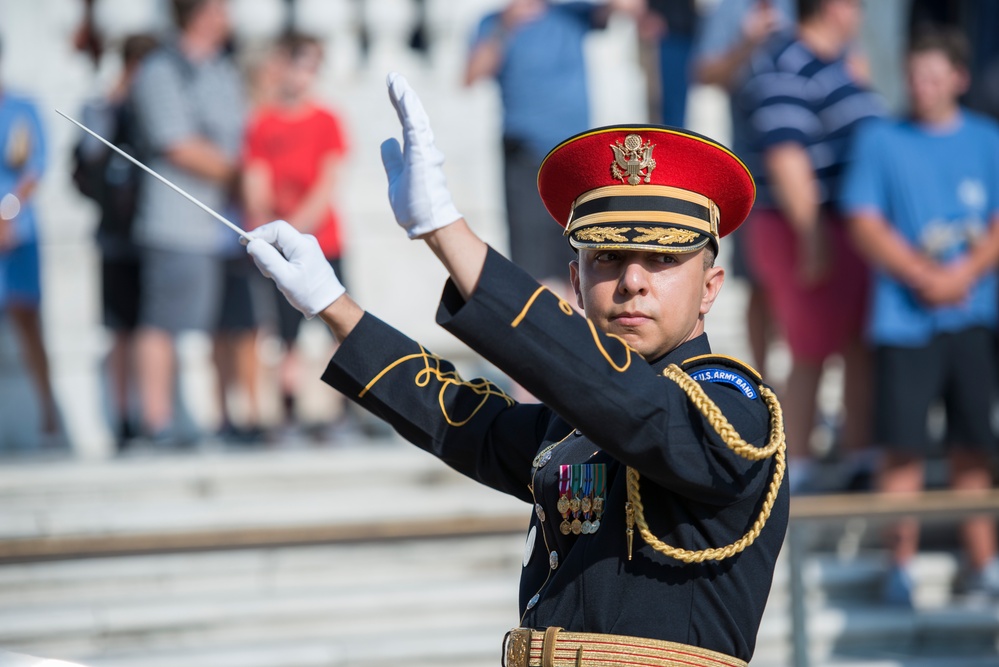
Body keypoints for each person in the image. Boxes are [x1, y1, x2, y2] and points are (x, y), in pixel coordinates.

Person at [246, 73, 788, 665]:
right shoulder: (576, 426)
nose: (632, 281)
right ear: (576, 284)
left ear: (710, 288)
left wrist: (447, 234)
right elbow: (459, 417)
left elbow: (633, 407)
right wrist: (334, 307)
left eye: (662, 260)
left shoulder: (734, 406)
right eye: (608, 259)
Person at [841, 27, 999, 606]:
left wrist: (964, 275)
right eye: (914, 76)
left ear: (958, 78)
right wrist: (923, 275)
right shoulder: (881, 139)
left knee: (973, 446)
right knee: (901, 446)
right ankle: (899, 566)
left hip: (974, 316)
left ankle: (983, 563)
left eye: (934, 76)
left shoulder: (987, 138)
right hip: (902, 322)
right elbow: (863, 219)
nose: (922, 87)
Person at [736, 0, 884, 492]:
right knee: (812, 348)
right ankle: (795, 466)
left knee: (859, 344)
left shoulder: (840, 62)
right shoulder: (786, 61)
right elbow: (785, 153)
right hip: (803, 222)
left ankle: (860, 455)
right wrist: (813, 234)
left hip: (849, 225)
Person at [463, 0, 642, 297]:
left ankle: (573, 337)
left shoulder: (571, 14)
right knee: (531, 264)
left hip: (574, 159)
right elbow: (472, 75)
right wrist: (506, 26)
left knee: (578, 258)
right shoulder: (494, 22)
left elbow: (626, 7)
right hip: (525, 157)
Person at [129, 0, 246, 445]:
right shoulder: (162, 69)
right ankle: (155, 424)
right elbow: (175, 142)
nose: (229, 15)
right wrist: (240, 176)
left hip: (226, 223)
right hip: (176, 221)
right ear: (200, 12)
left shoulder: (221, 67)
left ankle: (222, 420)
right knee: (162, 323)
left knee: (228, 324)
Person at [242, 31, 349, 439]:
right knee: (284, 335)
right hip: (283, 243)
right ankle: (287, 414)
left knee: (337, 328)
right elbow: (256, 183)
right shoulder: (262, 123)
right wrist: (272, 229)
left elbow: (327, 182)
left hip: (326, 241)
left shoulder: (327, 120)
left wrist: (290, 231)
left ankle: (340, 413)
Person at [691, 0, 794, 374]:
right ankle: (766, 383)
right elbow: (704, 72)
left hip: (811, 170)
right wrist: (747, 43)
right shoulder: (730, 10)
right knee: (759, 283)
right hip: (755, 174)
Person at [72, 33, 159, 452]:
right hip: (114, 237)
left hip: (155, 234)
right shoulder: (101, 108)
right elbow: (86, 159)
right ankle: (125, 421)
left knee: (152, 330)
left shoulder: (155, 110)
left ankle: (152, 419)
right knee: (120, 331)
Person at [0, 38, 61, 449]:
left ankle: (49, 416)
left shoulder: (23, 107)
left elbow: (35, 167)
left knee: (27, 320)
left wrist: (8, 213)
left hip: (18, 232)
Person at [640, 0, 700, 127]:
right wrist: (643, 13)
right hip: (665, 31)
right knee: (663, 109)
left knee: (678, 110)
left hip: (687, 29)